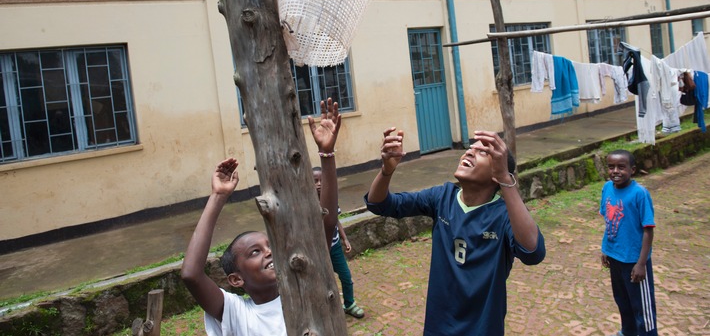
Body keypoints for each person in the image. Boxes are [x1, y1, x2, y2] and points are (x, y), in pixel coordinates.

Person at [181, 99, 341, 336]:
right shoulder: (237, 314)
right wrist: (218, 196)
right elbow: (191, 275)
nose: (268, 252)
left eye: (269, 245)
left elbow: (326, 226)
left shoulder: (303, 284)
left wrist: (327, 154)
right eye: (255, 252)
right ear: (236, 280)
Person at [364, 128, 546, 336]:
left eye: (483, 152)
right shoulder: (442, 197)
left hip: (483, 329)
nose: (469, 152)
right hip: (438, 328)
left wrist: (505, 176)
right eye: (470, 148)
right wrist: (386, 170)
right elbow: (380, 204)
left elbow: (533, 253)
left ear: (497, 173)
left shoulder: (504, 215)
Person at [601, 150, 657, 336]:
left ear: (632, 170)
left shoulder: (640, 194)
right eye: (611, 167)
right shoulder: (607, 188)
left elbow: (648, 230)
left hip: (634, 261)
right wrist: (605, 248)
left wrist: (641, 263)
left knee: (642, 307)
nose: (615, 171)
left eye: (621, 167)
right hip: (615, 258)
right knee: (622, 301)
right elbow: (608, 222)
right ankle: (628, 331)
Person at [313, 167, 365, 319]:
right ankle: (322, 310)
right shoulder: (306, 204)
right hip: (318, 250)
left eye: (322, 180)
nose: (319, 184)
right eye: (315, 181)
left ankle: (349, 304)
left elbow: (335, 220)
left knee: (346, 276)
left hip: (334, 247)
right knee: (321, 280)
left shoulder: (331, 199)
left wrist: (344, 238)